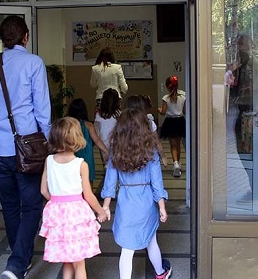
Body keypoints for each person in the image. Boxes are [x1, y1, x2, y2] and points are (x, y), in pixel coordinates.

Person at [0, 15, 51, 279]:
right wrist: (48, 141)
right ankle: (17, 264)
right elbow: (42, 109)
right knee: (31, 206)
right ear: (25, 37)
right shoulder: (34, 63)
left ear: (2, 39)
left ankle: (21, 258)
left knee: (9, 205)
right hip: (28, 148)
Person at [101, 108, 173, 279]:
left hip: (126, 204)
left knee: (127, 249)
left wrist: (105, 206)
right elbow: (157, 183)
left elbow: (110, 182)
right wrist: (162, 206)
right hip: (146, 202)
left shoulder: (115, 152)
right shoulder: (151, 152)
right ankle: (160, 273)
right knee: (151, 240)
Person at [39, 117, 110, 279]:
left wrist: (57, 202)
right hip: (76, 216)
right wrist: (101, 211)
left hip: (56, 215)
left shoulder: (49, 161)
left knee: (67, 261)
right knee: (79, 263)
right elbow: (89, 195)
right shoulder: (81, 164)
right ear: (77, 138)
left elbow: (43, 190)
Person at [67, 98, 108, 182]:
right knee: (88, 180)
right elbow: (97, 140)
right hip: (87, 156)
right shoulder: (88, 125)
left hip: (72, 154)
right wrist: (107, 151)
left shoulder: (68, 125)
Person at [125, 95, 167, 166]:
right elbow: (157, 141)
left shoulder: (123, 124)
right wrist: (163, 156)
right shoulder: (148, 122)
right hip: (148, 155)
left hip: (132, 155)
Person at [158, 76, 186, 178]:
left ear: (167, 86)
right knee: (178, 144)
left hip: (170, 122)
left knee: (172, 145)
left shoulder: (166, 98)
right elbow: (185, 111)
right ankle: (178, 162)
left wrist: (159, 109)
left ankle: (175, 163)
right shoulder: (183, 96)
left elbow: (163, 112)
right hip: (180, 121)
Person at [94, 88, 121, 162]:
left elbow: (96, 131)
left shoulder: (99, 115)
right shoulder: (119, 114)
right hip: (116, 144)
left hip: (102, 144)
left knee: (106, 164)